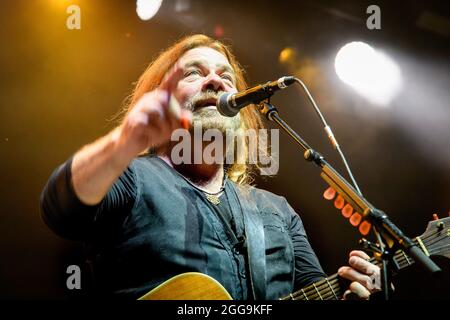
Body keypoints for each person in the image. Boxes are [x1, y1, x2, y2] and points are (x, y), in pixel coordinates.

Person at [40, 34, 381, 300]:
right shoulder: (132, 178)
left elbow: (319, 289)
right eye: (194, 73)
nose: (216, 82)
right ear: (161, 96)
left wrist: (361, 290)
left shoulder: (278, 212)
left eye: (225, 77)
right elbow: (60, 209)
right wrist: (124, 142)